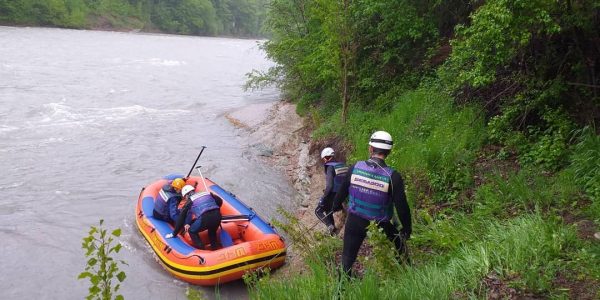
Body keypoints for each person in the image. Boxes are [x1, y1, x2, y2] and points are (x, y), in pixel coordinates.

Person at [332, 131, 412, 276]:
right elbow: (402, 208)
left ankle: (341, 289)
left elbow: (342, 191)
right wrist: (406, 229)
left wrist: (335, 206)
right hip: (380, 223)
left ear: (370, 149)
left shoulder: (355, 167)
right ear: (389, 151)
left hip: (355, 221)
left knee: (347, 259)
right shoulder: (393, 176)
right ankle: (405, 271)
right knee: (399, 243)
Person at [165, 185, 223, 250]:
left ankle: (202, 249)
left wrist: (174, 233)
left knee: (192, 231)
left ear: (187, 195)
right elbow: (220, 201)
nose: (185, 199)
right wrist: (214, 210)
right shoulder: (207, 193)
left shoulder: (190, 201)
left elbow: (181, 218)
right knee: (212, 232)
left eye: (185, 197)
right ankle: (214, 247)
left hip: (205, 218)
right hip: (218, 216)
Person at [315, 147, 348, 235]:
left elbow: (329, 186)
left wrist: (323, 198)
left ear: (326, 157)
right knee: (328, 208)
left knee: (318, 210)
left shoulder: (330, 167)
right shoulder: (342, 165)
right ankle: (332, 231)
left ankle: (330, 226)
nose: (324, 161)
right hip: (344, 196)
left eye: (323, 159)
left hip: (334, 195)